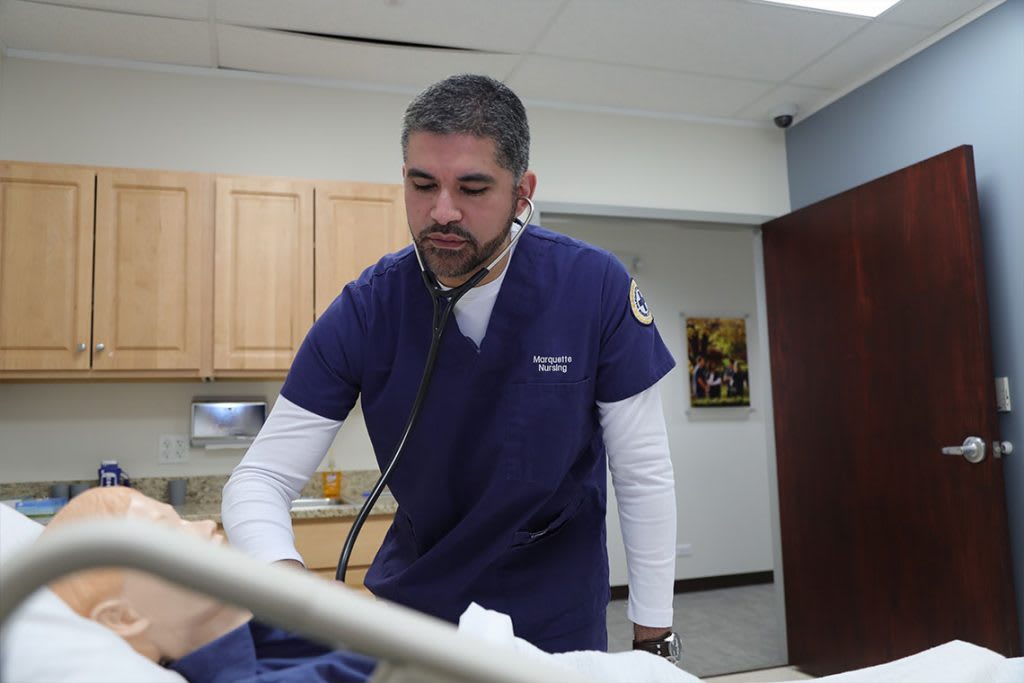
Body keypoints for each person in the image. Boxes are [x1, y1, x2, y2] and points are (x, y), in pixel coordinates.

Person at [222, 74, 679, 658]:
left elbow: (642, 474)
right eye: (422, 184)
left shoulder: (593, 289)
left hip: (555, 614)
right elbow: (258, 480)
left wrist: (654, 637)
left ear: (522, 193)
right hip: (417, 617)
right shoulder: (369, 308)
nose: (442, 211)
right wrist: (294, 597)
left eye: (472, 187)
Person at [44, 487, 377, 683]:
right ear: (123, 618)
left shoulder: (275, 632)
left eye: (182, 520)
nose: (206, 525)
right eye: (168, 534)